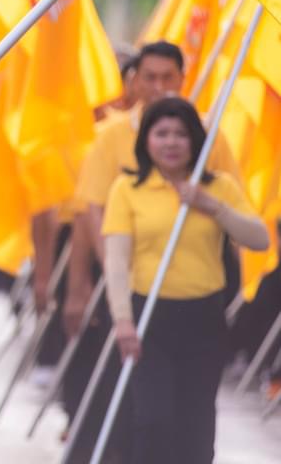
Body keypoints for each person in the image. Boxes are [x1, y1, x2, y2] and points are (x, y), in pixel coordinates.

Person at [60, 41, 240, 462]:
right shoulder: (110, 138)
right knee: (138, 408)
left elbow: (236, 211)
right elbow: (91, 210)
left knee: (195, 415)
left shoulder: (211, 137)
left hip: (199, 297)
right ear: (134, 81)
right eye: (150, 77)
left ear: (183, 79)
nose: (159, 86)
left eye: (168, 78)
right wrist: (92, 280)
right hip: (135, 293)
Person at [102, 96, 269, 463]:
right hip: (148, 318)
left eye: (180, 133)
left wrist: (210, 205)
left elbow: (260, 239)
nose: (171, 142)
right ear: (146, 139)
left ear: (195, 139)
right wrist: (123, 321)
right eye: (161, 133)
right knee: (152, 420)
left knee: (196, 424)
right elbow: (116, 262)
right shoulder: (127, 189)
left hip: (203, 318)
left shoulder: (219, 186)